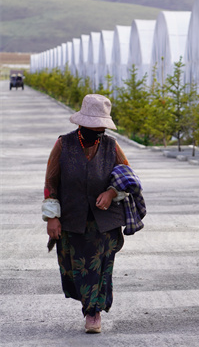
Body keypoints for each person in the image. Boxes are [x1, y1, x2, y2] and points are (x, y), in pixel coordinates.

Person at [42, 94, 130, 333]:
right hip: (73, 219)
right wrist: (52, 216)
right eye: (92, 126)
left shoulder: (111, 146)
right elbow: (51, 182)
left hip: (104, 223)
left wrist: (111, 193)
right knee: (77, 269)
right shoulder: (64, 144)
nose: (96, 131)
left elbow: (127, 177)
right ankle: (88, 305)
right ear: (81, 124)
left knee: (100, 268)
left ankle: (93, 313)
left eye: (100, 127)